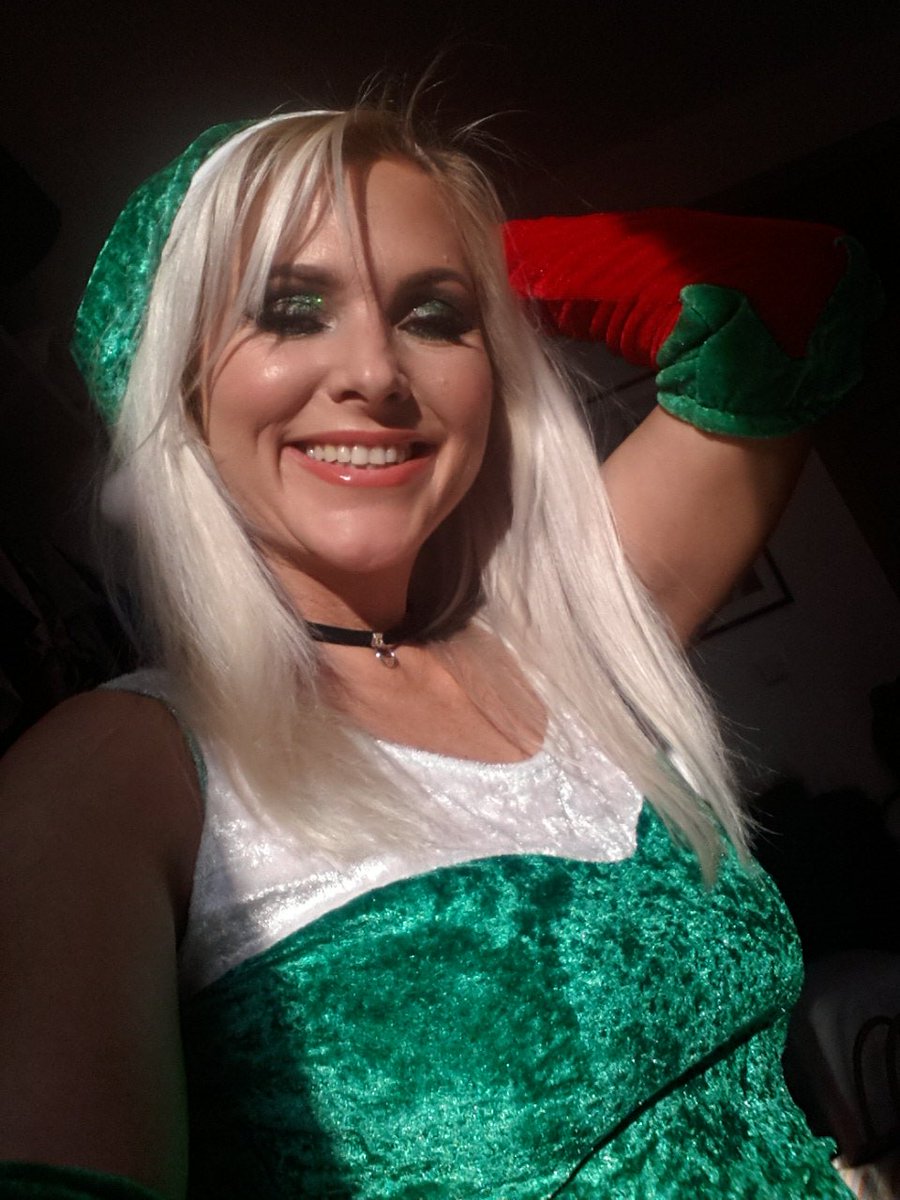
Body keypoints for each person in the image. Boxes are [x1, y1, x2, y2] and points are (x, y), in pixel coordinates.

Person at [0, 105, 880, 1198]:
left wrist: (467, 246)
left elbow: (793, 300)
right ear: (177, 381)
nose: (376, 371)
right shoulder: (112, 774)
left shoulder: (567, 647)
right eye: (291, 310)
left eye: (433, 315)